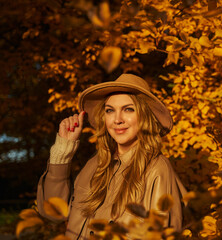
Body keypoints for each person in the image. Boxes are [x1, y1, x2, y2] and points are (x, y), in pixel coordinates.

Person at [37, 74, 187, 239]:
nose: (117, 119)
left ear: (144, 116)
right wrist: (63, 153)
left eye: (128, 109)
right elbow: (53, 214)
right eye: (110, 110)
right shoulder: (95, 165)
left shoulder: (157, 169)